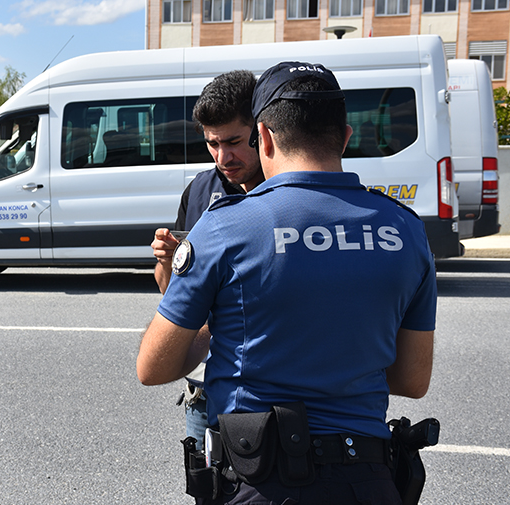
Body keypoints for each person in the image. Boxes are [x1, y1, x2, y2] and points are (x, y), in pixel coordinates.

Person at [137, 62, 436, 504]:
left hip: (260, 478)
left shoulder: (224, 228)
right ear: (346, 137)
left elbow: (153, 367)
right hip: (368, 479)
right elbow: (411, 379)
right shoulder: (406, 231)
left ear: (265, 137)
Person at [150, 71, 264, 459]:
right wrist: (167, 262)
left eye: (233, 142)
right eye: (212, 144)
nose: (222, 157)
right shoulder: (199, 189)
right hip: (202, 392)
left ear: (261, 130)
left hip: (262, 397)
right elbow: (173, 293)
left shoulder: (283, 186)